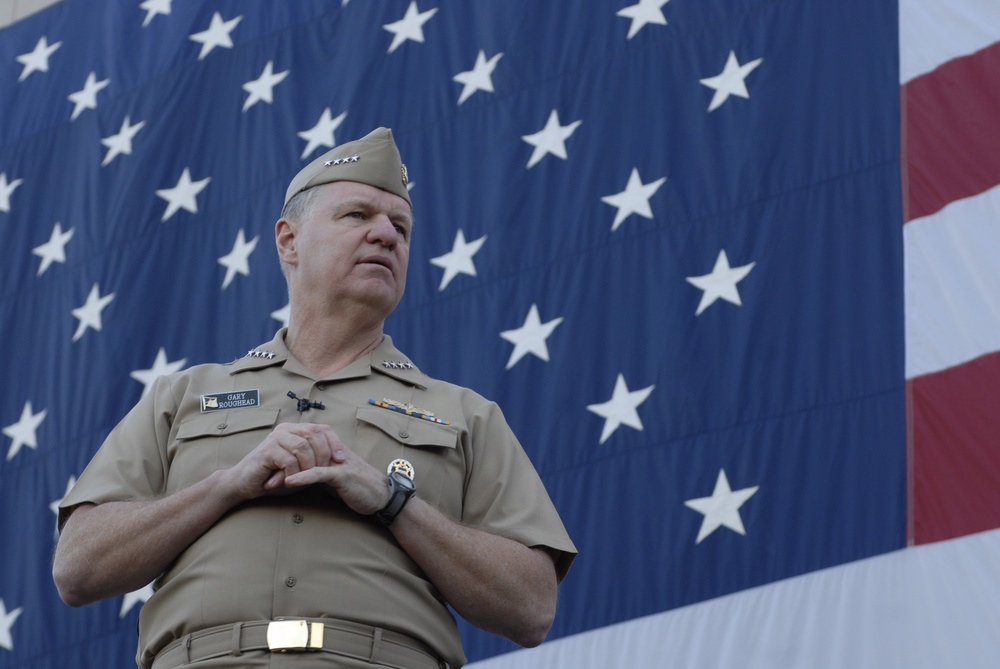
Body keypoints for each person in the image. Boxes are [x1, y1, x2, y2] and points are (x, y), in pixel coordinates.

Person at [53, 127, 577, 669]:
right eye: (357, 216)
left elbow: (531, 608)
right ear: (288, 240)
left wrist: (391, 500)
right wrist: (229, 483)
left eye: (400, 226)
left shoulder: (467, 414)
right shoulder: (184, 395)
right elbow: (78, 567)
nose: (386, 236)